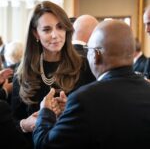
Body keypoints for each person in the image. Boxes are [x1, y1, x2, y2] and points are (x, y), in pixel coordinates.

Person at [33, 20, 150, 149]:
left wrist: (46, 112)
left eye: (88, 49)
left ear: (95, 55)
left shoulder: (84, 100)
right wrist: (70, 112)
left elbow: (45, 145)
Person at [10, 0, 95, 148]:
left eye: (60, 27)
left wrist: (70, 109)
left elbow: (96, 114)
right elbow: (12, 121)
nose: (55, 35)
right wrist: (25, 124)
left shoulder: (84, 65)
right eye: (47, 29)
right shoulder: (22, 71)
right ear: (36, 33)